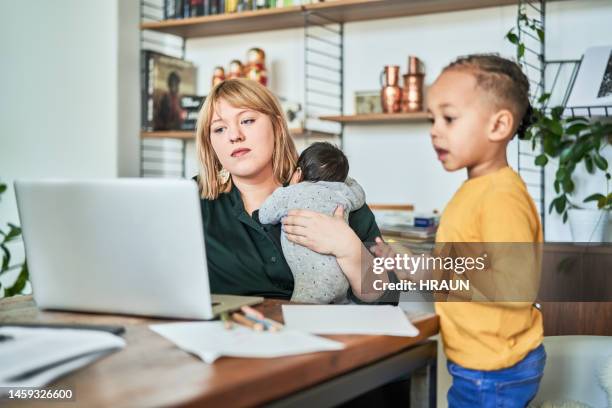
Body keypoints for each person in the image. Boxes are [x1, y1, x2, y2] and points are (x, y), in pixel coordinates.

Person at [373, 54, 545, 407]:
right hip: (482, 363)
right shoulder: (475, 190)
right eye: (432, 119)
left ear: (498, 126)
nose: (435, 129)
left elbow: (516, 285)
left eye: (449, 118)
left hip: (495, 369)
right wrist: (416, 267)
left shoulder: (500, 196)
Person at [194, 78, 392, 302]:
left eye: (247, 120)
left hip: (321, 332)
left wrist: (349, 248)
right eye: (219, 128)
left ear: (277, 125)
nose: (234, 135)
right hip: (230, 332)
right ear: (210, 143)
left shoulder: (332, 190)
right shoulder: (191, 201)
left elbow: (389, 298)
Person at [258, 142, 367, 304]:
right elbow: (360, 194)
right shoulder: (344, 193)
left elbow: (264, 215)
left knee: (299, 312)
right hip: (342, 281)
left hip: (311, 281)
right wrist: (342, 179)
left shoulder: (290, 193)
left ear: (298, 173)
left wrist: (283, 190)